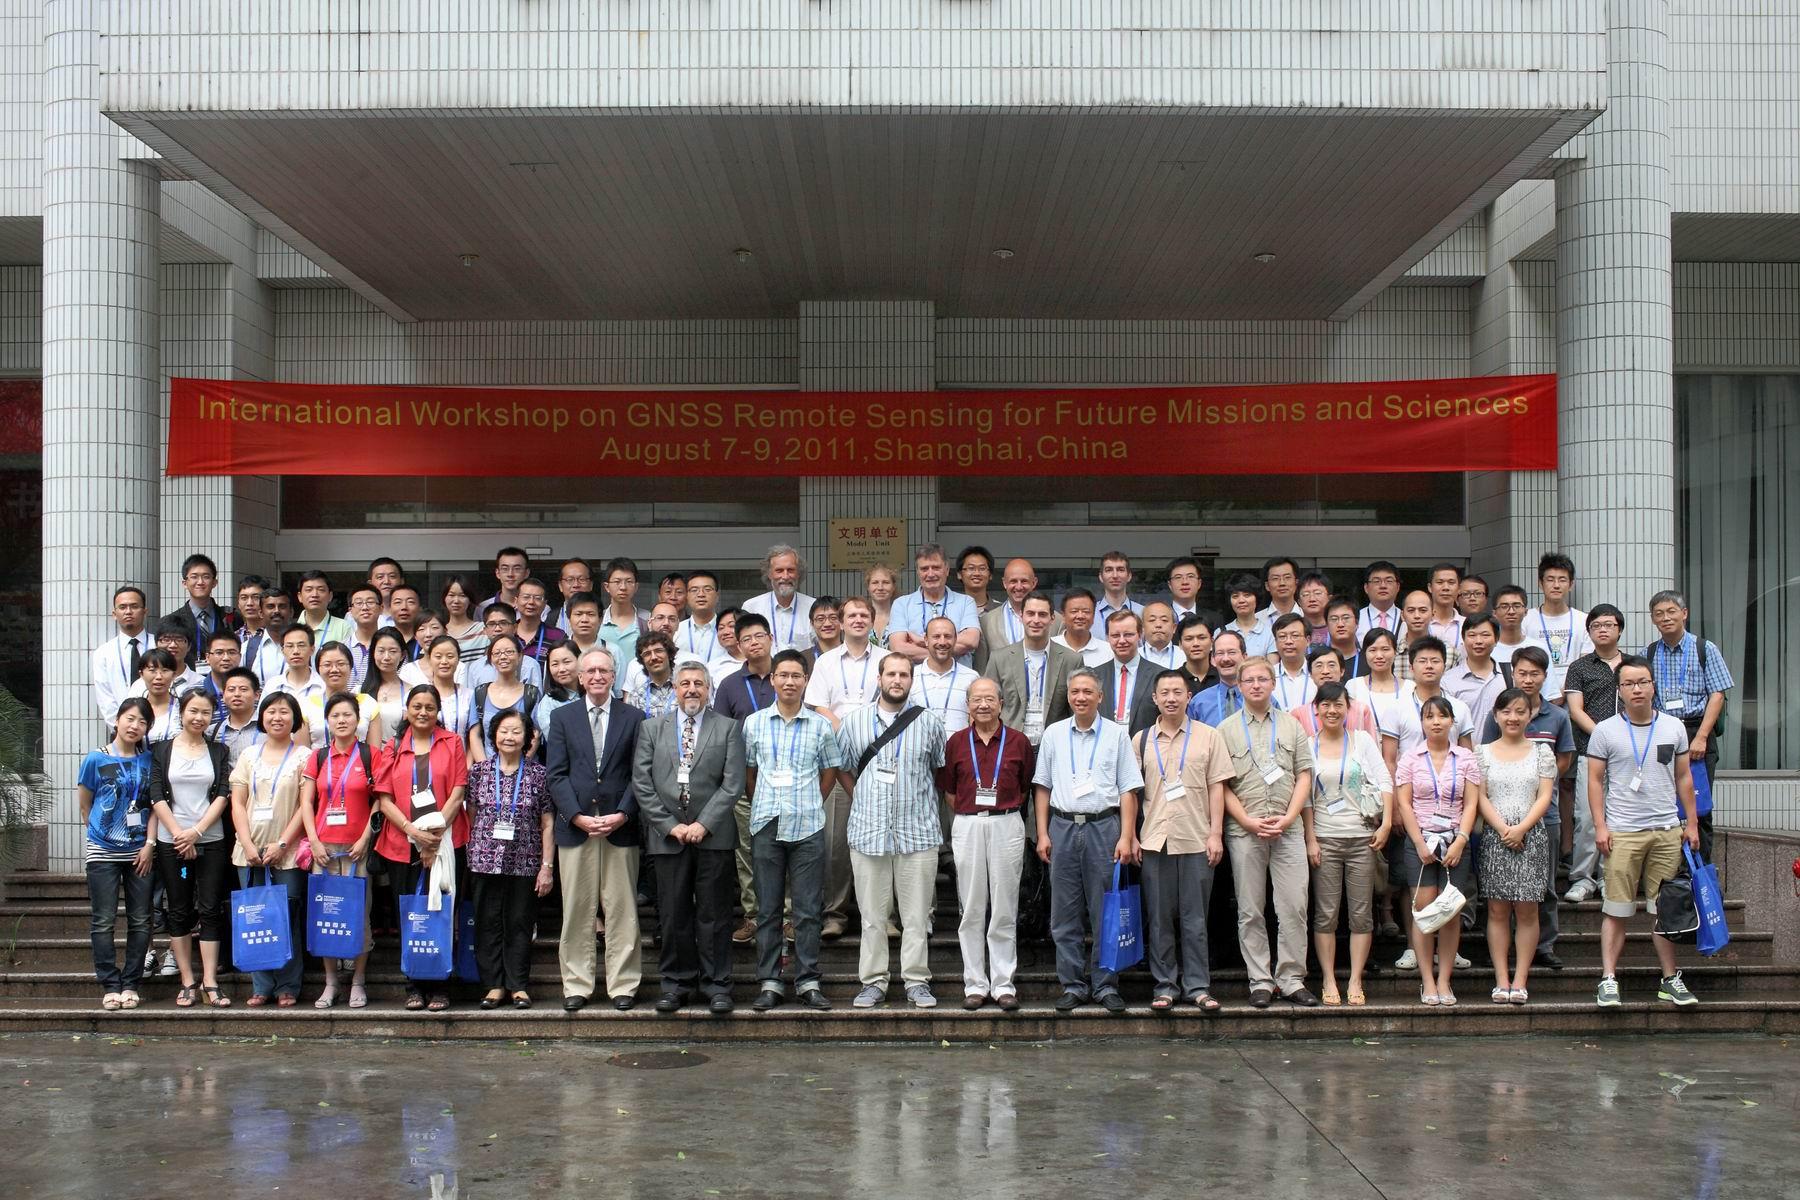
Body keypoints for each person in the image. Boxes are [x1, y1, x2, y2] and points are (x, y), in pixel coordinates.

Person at [1588, 656, 1703, 1007]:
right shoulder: (1605, 730)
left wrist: (1691, 823)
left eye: (1643, 682)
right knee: (1616, 909)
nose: (1636, 689)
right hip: (1622, 832)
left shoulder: (1674, 727)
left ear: (1653, 686)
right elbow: (1594, 781)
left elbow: (1684, 777)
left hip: (1666, 830)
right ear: (1619, 690)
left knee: (1665, 911)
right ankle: (1608, 978)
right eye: (1628, 684)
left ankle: (1669, 979)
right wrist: (1600, 826)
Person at [632, 661, 746, 1015]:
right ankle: (676, 984)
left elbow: (733, 783)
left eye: (699, 683)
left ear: (709, 689)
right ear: (675, 689)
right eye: (685, 683)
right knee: (673, 914)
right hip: (668, 838)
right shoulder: (651, 728)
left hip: (714, 836)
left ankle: (717, 985)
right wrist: (670, 825)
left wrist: (704, 823)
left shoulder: (728, 728)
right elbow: (642, 782)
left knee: (715, 914)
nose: (692, 689)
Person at [837, 654, 947, 1009]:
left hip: (917, 833)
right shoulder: (854, 722)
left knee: (916, 917)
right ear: (879, 677)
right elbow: (844, 768)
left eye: (904, 674)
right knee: (872, 918)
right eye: (891, 674)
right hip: (868, 832)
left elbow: (939, 771)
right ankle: (873, 982)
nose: (897, 680)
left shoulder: (929, 722)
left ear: (912, 680)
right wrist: (862, 795)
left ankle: (916, 981)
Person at [1033, 667, 1143, 1014]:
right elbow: (1042, 787)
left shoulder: (1116, 735)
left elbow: (1128, 790)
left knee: (1105, 911)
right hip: (1063, 827)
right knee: (1064, 914)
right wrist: (1042, 832)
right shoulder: (1053, 734)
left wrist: (1126, 835)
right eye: (1075, 692)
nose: (1080, 697)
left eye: (1087, 692)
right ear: (1068, 696)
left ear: (1100, 696)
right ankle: (1073, 984)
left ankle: (1105, 984)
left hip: (1103, 828)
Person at [544, 647, 645, 1012]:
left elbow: (639, 774)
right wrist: (575, 816)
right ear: (581, 678)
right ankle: (577, 984)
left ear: (614, 676)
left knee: (622, 908)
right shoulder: (562, 717)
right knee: (577, 908)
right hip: (577, 827)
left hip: (620, 826)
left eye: (604, 670)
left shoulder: (634, 717)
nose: (598, 676)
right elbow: (556, 774)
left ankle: (624, 984)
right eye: (591, 671)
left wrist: (623, 814)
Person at [743, 649, 844, 1011]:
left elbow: (831, 770)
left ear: (805, 681)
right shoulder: (754, 723)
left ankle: (808, 981)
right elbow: (749, 773)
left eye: (796, 676)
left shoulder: (820, 725)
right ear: (772, 680)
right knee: (768, 910)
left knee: (807, 910)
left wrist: (811, 801)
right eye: (782, 675)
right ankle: (770, 982)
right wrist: (762, 801)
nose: (789, 682)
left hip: (808, 827)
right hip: (766, 824)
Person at [1219, 657, 1316, 1007]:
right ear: (1239, 685)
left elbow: (1304, 774)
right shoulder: (1225, 729)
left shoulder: (1292, 725)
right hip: (1245, 830)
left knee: (1294, 906)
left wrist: (1290, 817)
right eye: (1249, 680)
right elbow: (1221, 785)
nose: (1256, 685)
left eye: (1263, 679)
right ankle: (1259, 980)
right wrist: (1246, 820)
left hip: (1287, 829)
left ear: (1273, 683)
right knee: (1250, 909)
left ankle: (1291, 979)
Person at [1135, 670, 1233, 1012]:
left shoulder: (1209, 736)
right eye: (1165, 692)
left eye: (1178, 691)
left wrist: (1216, 833)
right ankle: (1165, 986)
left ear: (1189, 696)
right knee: (1159, 918)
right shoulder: (1141, 740)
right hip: (1154, 840)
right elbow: (1131, 793)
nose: (1171, 698)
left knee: (1195, 919)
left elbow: (1217, 787)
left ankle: (1197, 986)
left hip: (1196, 838)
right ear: (1155, 698)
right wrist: (1130, 836)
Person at [373, 683, 471, 1012]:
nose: (423, 712)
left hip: (446, 840)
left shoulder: (452, 742)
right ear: (407, 710)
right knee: (411, 915)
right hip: (401, 843)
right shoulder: (393, 747)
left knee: (442, 913)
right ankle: (413, 984)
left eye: (430, 707)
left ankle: (441, 985)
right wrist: (414, 832)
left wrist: (434, 834)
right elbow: (384, 799)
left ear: (438, 711)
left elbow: (458, 791)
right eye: (417, 706)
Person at [937, 677, 1032, 1011]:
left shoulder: (1018, 741)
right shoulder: (956, 742)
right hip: (968, 823)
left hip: (1006, 821)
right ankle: (975, 984)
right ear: (967, 705)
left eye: (990, 698)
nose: (983, 705)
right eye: (976, 699)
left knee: (1004, 905)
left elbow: (1024, 788)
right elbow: (950, 791)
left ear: (1001, 704)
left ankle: (1003, 984)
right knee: (971, 906)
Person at [1477, 646, 1574, 969]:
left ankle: (1544, 946)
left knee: (1543, 889)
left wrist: (1537, 785)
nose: (1528, 679)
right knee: (1499, 894)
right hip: (1499, 819)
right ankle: (1502, 953)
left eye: (1535, 673)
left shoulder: (1558, 716)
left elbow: (1563, 760)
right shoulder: (1499, 714)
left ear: (1545, 676)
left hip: (1544, 814)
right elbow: (1486, 767)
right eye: (1522, 672)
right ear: (1513, 673)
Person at [1303, 682, 1392, 1007]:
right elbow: (1306, 798)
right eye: (1325, 705)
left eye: (1338, 704)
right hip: (1325, 839)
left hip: (1362, 838)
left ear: (1347, 708)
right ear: (1316, 709)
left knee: (1361, 914)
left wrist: (1386, 823)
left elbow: (1384, 780)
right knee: (1326, 914)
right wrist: (1310, 839)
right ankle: (1328, 978)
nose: (1332, 710)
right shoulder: (1307, 745)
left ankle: (1355, 978)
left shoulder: (1361, 740)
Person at [146, 688, 234, 1008]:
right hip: (173, 843)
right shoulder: (162, 750)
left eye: (205, 712)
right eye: (193, 711)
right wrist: (179, 835)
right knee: (179, 908)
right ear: (181, 712)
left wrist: (196, 833)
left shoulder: (219, 750)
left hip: (210, 841)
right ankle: (187, 981)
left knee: (210, 907)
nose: (199, 718)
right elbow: (156, 794)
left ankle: (210, 981)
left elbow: (222, 794)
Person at [1394, 696, 1482, 1006]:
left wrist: (1461, 840)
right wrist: (1419, 843)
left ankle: (1444, 980)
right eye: (1429, 716)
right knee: (1423, 912)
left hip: (1455, 841)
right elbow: (1404, 803)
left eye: (1442, 716)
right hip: (1420, 842)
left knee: (1450, 911)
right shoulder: (1410, 758)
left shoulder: (1466, 758)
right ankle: (1427, 980)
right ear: (1421, 722)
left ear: (1452, 721)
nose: (1436, 722)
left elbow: (1471, 803)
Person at [804, 595, 881, 940]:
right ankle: (834, 913)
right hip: (835, 762)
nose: (858, 620)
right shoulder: (825, 662)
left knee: (880, 841)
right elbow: (818, 705)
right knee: (835, 843)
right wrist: (847, 732)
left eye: (864, 614)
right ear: (841, 621)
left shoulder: (885, 659)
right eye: (851, 615)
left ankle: (879, 914)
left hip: (877, 761)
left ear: (872, 620)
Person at [465, 710, 554, 1010]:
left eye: (516, 731)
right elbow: (471, 815)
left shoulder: (539, 774)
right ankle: (493, 985)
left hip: (525, 861)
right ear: (494, 735)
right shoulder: (479, 772)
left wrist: (547, 867)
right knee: (487, 922)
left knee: (519, 923)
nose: (509, 737)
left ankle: (518, 986)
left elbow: (547, 823)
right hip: (484, 860)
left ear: (527, 737)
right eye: (504, 731)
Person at [1476, 688, 1559, 1005]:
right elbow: (1480, 796)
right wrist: (1502, 829)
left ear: (1530, 715)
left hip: (1532, 836)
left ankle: (1520, 980)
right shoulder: (1482, 753)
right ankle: (1501, 979)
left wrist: (1521, 828)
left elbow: (1545, 796)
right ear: (1496, 716)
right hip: (1495, 836)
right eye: (1506, 711)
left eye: (1520, 711)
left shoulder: (1542, 752)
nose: (1513, 717)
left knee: (1527, 909)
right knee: (1497, 910)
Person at [229, 691, 309, 1007]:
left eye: (284, 712)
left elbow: (305, 806)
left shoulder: (304, 756)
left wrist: (282, 844)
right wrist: (248, 844)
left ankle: (288, 984)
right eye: (271, 711)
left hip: (287, 852)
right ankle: (261, 985)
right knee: (255, 916)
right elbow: (238, 803)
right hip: (248, 852)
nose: (277, 717)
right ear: (262, 717)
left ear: (295, 718)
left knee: (286, 917)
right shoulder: (249, 756)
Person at [298, 693, 378, 1009]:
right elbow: (306, 802)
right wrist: (314, 841)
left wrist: (365, 838)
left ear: (358, 720)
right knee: (326, 915)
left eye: (347, 715)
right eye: (335, 715)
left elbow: (379, 801)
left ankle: (358, 981)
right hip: (324, 851)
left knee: (360, 915)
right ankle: (331, 982)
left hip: (358, 850)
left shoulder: (370, 755)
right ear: (327, 721)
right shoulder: (318, 757)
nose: (342, 720)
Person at [80, 697, 157, 1010]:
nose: (134, 726)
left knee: (141, 919)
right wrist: (104, 833)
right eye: (130, 718)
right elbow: (85, 805)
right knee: (103, 920)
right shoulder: (95, 759)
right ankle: (110, 984)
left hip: (140, 851)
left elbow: (155, 806)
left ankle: (131, 984)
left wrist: (149, 844)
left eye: (142, 721)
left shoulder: (150, 760)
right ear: (117, 720)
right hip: (102, 851)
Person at [1646, 589, 1733, 861]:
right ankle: (1669, 869)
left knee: (1699, 804)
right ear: (1653, 619)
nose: (1665, 618)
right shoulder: (1648, 653)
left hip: (1697, 730)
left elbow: (1717, 694)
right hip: (1663, 733)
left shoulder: (1704, 649)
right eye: (1659, 613)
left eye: (1671, 611)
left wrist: (1702, 736)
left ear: (1684, 614)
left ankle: (1701, 870)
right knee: (1663, 801)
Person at [1562, 604, 1627, 903]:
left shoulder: (1632, 665)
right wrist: (1604, 737)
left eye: (1609, 625)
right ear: (1588, 632)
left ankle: (1607, 877)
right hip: (1591, 751)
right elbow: (1575, 710)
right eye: (1596, 625)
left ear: (1619, 629)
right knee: (1588, 818)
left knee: (1618, 818)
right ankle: (1582, 878)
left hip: (1627, 755)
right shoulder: (1579, 667)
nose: (1603, 630)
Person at [982, 590, 1077, 745]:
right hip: (1009, 745)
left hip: (1056, 744)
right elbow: (988, 704)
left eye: (1042, 614)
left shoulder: (1071, 660)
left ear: (1052, 619)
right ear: (1021, 616)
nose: (1036, 620)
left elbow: (1075, 711)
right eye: (1030, 614)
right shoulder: (999, 659)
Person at [888, 542, 981, 664]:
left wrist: (922, 642)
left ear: (947, 570)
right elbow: (898, 648)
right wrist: (947, 649)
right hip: (917, 676)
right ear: (918, 572)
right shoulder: (901, 604)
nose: (930, 574)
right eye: (924, 569)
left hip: (958, 675)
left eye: (936, 568)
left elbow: (971, 641)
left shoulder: (966, 602)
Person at [467, 634, 542, 761]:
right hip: (488, 767)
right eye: (497, 653)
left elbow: (535, 734)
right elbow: (475, 735)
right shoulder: (480, 693)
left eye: (509, 652)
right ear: (491, 659)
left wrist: (520, 766)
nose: (502, 657)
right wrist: (485, 767)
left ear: (520, 656)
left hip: (524, 767)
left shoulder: (531, 693)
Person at [1526, 552, 1591, 696]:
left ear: (1571, 584)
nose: (1556, 585)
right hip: (1535, 694)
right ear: (1540, 583)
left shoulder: (1583, 620)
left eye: (1562, 580)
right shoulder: (1526, 619)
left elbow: (1585, 663)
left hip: (1574, 694)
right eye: (1550, 580)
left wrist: (1562, 692)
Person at [303, 642, 382, 750]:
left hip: (360, 760)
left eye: (340, 664)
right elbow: (302, 753)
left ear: (350, 667)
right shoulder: (307, 705)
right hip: (318, 761)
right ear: (318, 669)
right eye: (327, 665)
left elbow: (375, 752)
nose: (334, 669)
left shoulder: (368, 704)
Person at [162, 553, 238, 664]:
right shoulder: (171, 621)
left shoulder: (231, 618)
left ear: (214, 582)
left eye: (206, 577)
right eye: (194, 577)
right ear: (184, 583)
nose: (200, 582)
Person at [742, 543, 816, 652]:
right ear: (769, 574)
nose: (785, 576)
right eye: (779, 570)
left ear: (798, 574)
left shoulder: (813, 607)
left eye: (790, 570)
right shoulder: (751, 607)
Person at [94, 584, 151, 722]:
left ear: (145, 611)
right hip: (120, 728)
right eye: (122, 607)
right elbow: (105, 698)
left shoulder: (159, 646)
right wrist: (120, 726)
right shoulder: (104, 653)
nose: (128, 611)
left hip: (159, 727)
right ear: (114, 614)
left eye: (134, 606)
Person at [1443, 613, 1506, 736]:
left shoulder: (1509, 676)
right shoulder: (1448, 681)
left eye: (1485, 635)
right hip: (1464, 747)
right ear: (1463, 638)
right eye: (1472, 635)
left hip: (1501, 748)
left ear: (1496, 639)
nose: (1478, 641)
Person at [909, 615, 973, 736]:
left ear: (955, 639)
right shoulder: (910, 677)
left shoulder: (971, 678)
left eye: (948, 636)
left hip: (959, 747)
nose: (942, 642)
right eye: (936, 636)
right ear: (926, 640)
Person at [1098, 610, 1158, 735]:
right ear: (1107, 637)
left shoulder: (1159, 675)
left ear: (1140, 635)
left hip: (1144, 742)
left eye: (1128, 634)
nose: (1121, 641)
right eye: (1115, 635)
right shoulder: (1095, 676)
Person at [465, 604, 546, 691]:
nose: (497, 629)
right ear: (485, 630)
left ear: (515, 628)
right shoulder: (476, 667)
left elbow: (535, 698)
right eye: (492, 624)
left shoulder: (529, 665)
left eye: (503, 623)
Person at [596, 557, 650, 677]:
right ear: (606, 587)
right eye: (617, 582)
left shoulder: (647, 620)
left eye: (629, 581)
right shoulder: (597, 620)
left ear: (636, 587)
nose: (623, 587)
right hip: (602, 683)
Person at [1186, 629, 1248, 728]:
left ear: (1244, 657)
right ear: (1213, 659)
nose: (1226, 659)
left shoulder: (1261, 697)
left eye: (1232, 652)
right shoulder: (1199, 703)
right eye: (1220, 653)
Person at [360, 626, 411, 745]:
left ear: (402, 655)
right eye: (381, 651)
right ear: (373, 653)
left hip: (398, 753)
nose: (386, 657)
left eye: (392, 651)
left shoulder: (411, 692)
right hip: (367, 754)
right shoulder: (359, 691)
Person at [265, 623, 326, 719]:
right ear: (282, 650)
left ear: (312, 649)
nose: (296, 651)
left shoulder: (323, 686)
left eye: (301, 645)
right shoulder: (272, 685)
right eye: (290, 646)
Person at [207, 666, 263, 767]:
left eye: (243, 689)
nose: (237, 694)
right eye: (231, 690)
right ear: (223, 696)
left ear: (257, 695)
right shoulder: (212, 732)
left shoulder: (268, 728)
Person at [233, 577, 285, 683]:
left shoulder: (279, 636)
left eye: (255, 597)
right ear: (238, 603)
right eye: (244, 598)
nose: (249, 603)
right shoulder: (234, 639)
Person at [532, 641, 583, 747]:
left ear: (580, 661)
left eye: (567, 662)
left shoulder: (596, 692)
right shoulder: (548, 704)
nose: (561, 669)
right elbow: (557, 742)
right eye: (555, 664)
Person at [623, 630, 679, 719]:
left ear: (669, 654)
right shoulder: (636, 697)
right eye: (647, 654)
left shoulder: (684, 688)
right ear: (642, 660)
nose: (653, 657)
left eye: (658, 651)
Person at [1490, 585, 1549, 668]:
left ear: (1526, 612)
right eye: (1504, 607)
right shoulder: (1487, 649)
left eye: (1517, 606)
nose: (1511, 612)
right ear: (1494, 613)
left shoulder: (1539, 647)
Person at [1219, 572, 1275, 659]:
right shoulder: (1220, 632)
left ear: (1257, 598)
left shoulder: (1269, 633)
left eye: (1247, 595)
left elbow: (1272, 666)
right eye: (1235, 596)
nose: (1241, 600)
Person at [1051, 587, 1110, 668]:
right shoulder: (1050, 647)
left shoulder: (1108, 651)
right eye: (1074, 611)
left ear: (1093, 616)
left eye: (1086, 611)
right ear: (1063, 616)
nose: (1080, 616)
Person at [1268, 613, 1316, 711]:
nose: (1288, 641)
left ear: (1308, 640)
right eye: (1282, 636)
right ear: (1275, 642)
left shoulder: (1318, 674)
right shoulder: (1267, 676)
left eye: (1295, 636)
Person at [513, 577, 566, 667]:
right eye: (526, 597)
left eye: (538, 598)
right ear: (516, 601)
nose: (531, 602)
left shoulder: (558, 636)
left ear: (545, 604)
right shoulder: (506, 633)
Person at [295, 570, 353, 651]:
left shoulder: (343, 627)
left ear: (330, 596)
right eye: (309, 590)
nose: (314, 595)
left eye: (321, 590)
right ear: (300, 596)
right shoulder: (291, 628)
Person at [134, 648, 182, 744]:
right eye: (152, 670)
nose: (159, 677)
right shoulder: (134, 708)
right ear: (141, 674)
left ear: (174, 675)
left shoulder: (183, 708)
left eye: (165, 670)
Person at [1164, 556, 1223, 630]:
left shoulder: (1215, 619)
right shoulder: (1161, 618)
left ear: (1199, 583)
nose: (1185, 582)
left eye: (1190, 576)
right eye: (1178, 577)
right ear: (1170, 585)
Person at [441, 573, 487, 665]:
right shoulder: (439, 632)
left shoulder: (483, 630)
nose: (456, 601)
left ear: (470, 599)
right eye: (451, 595)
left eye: (462, 596)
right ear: (444, 598)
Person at [343, 584, 383, 687]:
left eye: (370, 602)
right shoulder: (342, 648)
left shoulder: (390, 647)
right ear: (350, 611)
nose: (365, 607)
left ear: (381, 608)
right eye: (359, 603)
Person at [476, 545, 531, 617]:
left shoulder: (538, 607)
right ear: (497, 573)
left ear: (526, 573)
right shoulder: (483, 608)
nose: (510, 574)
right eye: (505, 569)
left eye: (517, 569)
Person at [1093, 550, 1144, 628]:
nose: (1115, 575)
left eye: (1120, 570)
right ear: (1101, 577)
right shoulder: (1090, 613)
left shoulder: (1143, 613)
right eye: (1109, 570)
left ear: (1129, 576)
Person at [1356, 560, 1403, 639]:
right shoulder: (1357, 618)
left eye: (1389, 581)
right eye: (1376, 581)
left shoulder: (1405, 617)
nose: (1383, 586)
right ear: (1366, 588)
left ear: (1398, 587)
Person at [1426, 563, 1465, 656]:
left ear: (1459, 588)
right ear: (1430, 587)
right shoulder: (1416, 623)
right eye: (1440, 582)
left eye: (1451, 583)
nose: (1446, 588)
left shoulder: (1466, 624)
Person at [550, 558, 594, 636]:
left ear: (591, 585)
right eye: (570, 580)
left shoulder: (603, 617)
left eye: (582, 579)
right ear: (560, 586)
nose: (576, 585)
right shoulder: (550, 618)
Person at [1323, 598, 1366, 677]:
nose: (1340, 624)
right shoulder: (1316, 661)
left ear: (1357, 623)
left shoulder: (1369, 662)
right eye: (1334, 619)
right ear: (1327, 625)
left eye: (1346, 618)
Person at [1174, 615, 1216, 694]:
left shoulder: (1224, 678)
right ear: (1180, 644)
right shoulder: (1172, 680)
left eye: (1202, 638)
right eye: (1189, 639)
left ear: (1212, 641)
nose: (1196, 644)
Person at [707, 607, 747, 688]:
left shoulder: (761, 661)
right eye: (721, 628)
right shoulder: (712, 667)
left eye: (731, 626)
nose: (725, 632)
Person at [1138, 601, 1182, 671]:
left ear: (1174, 628)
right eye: (1152, 620)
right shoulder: (1134, 656)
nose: (1158, 625)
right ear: (1142, 627)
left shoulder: (1185, 656)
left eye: (1164, 620)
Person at [1257, 557, 1301, 622]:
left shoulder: (1308, 616)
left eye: (1287, 577)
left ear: (1296, 583)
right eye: (1275, 578)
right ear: (1267, 586)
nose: (1282, 583)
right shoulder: (1257, 620)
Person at [956, 545, 998, 613]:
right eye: (971, 568)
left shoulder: (1001, 610)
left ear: (990, 575)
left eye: (982, 568)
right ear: (959, 574)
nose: (977, 573)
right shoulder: (951, 609)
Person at [864, 563, 897, 646]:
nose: (880, 588)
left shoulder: (902, 617)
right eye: (875, 582)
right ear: (868, 587)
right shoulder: (860, 617)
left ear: (893, 587)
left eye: (886, 582)